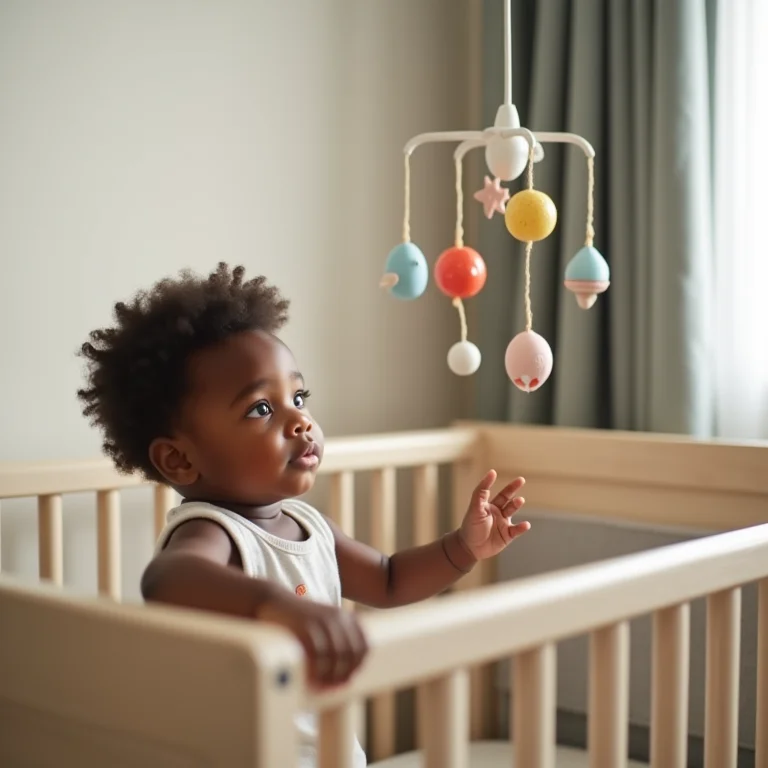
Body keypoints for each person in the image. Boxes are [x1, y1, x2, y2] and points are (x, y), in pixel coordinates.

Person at [77, 262, 530, 765]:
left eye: (297, 397)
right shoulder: (214, 531)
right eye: (260, 409)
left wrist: (461, 547)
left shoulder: (309, 525)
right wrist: (276, 604)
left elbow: (389, 578)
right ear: (180, 459)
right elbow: (167, 579)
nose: (300, 420)